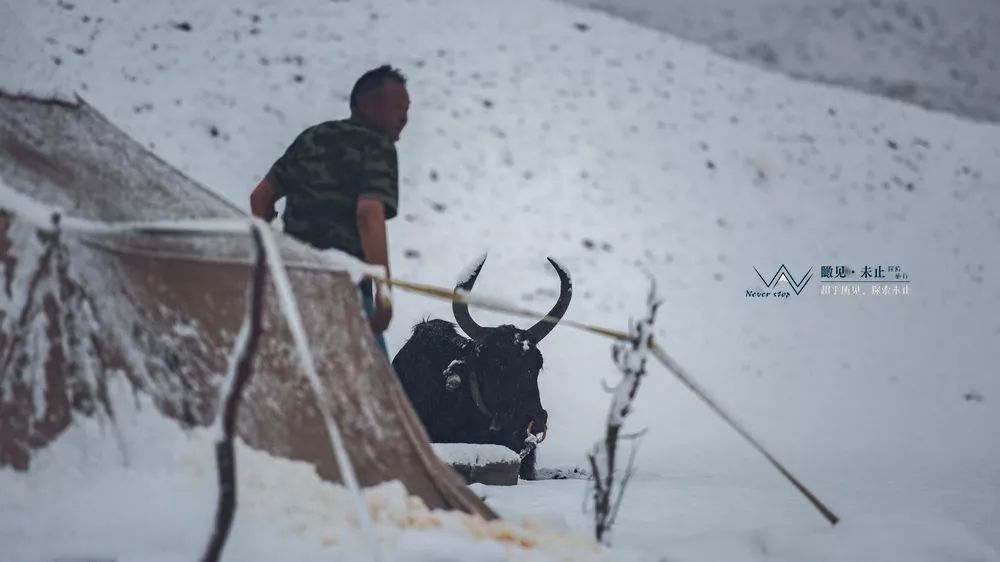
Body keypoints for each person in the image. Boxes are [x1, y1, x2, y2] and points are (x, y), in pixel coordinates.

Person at [249, 65, 409, 355]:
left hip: (290, 284)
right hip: (341, 290)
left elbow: (260, 199)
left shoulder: (311, 138)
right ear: (367, 105)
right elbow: (368, 214)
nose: (405, 118)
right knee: (374, 390)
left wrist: (273, 253)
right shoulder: (377, 146)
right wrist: (384, 296)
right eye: (398, 106)